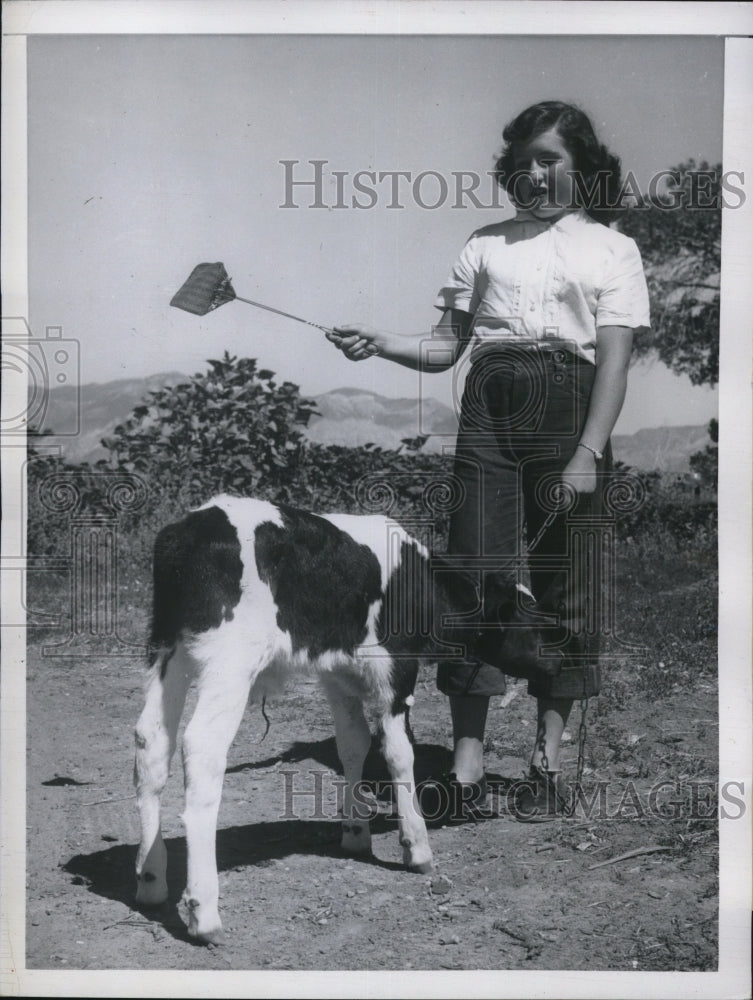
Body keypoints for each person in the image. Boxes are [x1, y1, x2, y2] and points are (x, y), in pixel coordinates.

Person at [327, 101, 650, 822]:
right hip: (489, 406)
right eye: (523, 162)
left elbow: (615, 362)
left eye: (549, 160)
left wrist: (587, 453)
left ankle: (544, 764)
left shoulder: (612, 249)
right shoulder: (484, 244)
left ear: (581, 169)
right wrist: (378, 342)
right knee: (473, 575)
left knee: (567, 578)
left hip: (572, 405)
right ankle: (466, 767)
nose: (532, 174)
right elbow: (446, 345)